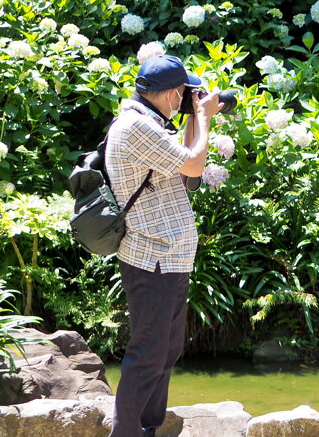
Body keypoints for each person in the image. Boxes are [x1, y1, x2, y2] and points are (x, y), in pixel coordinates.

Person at [107, 54, 222, 437]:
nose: (186, 99)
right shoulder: (137, 126)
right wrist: (203, 117)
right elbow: (193, 167)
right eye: (184, 94)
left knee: (166, 353)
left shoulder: (151, 124)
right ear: (172, 93)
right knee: (147, 355)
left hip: (169, 258)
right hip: (151, 256)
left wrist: (193, 117)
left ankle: (148, 430)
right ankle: (125, 434)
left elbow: (188, 165)